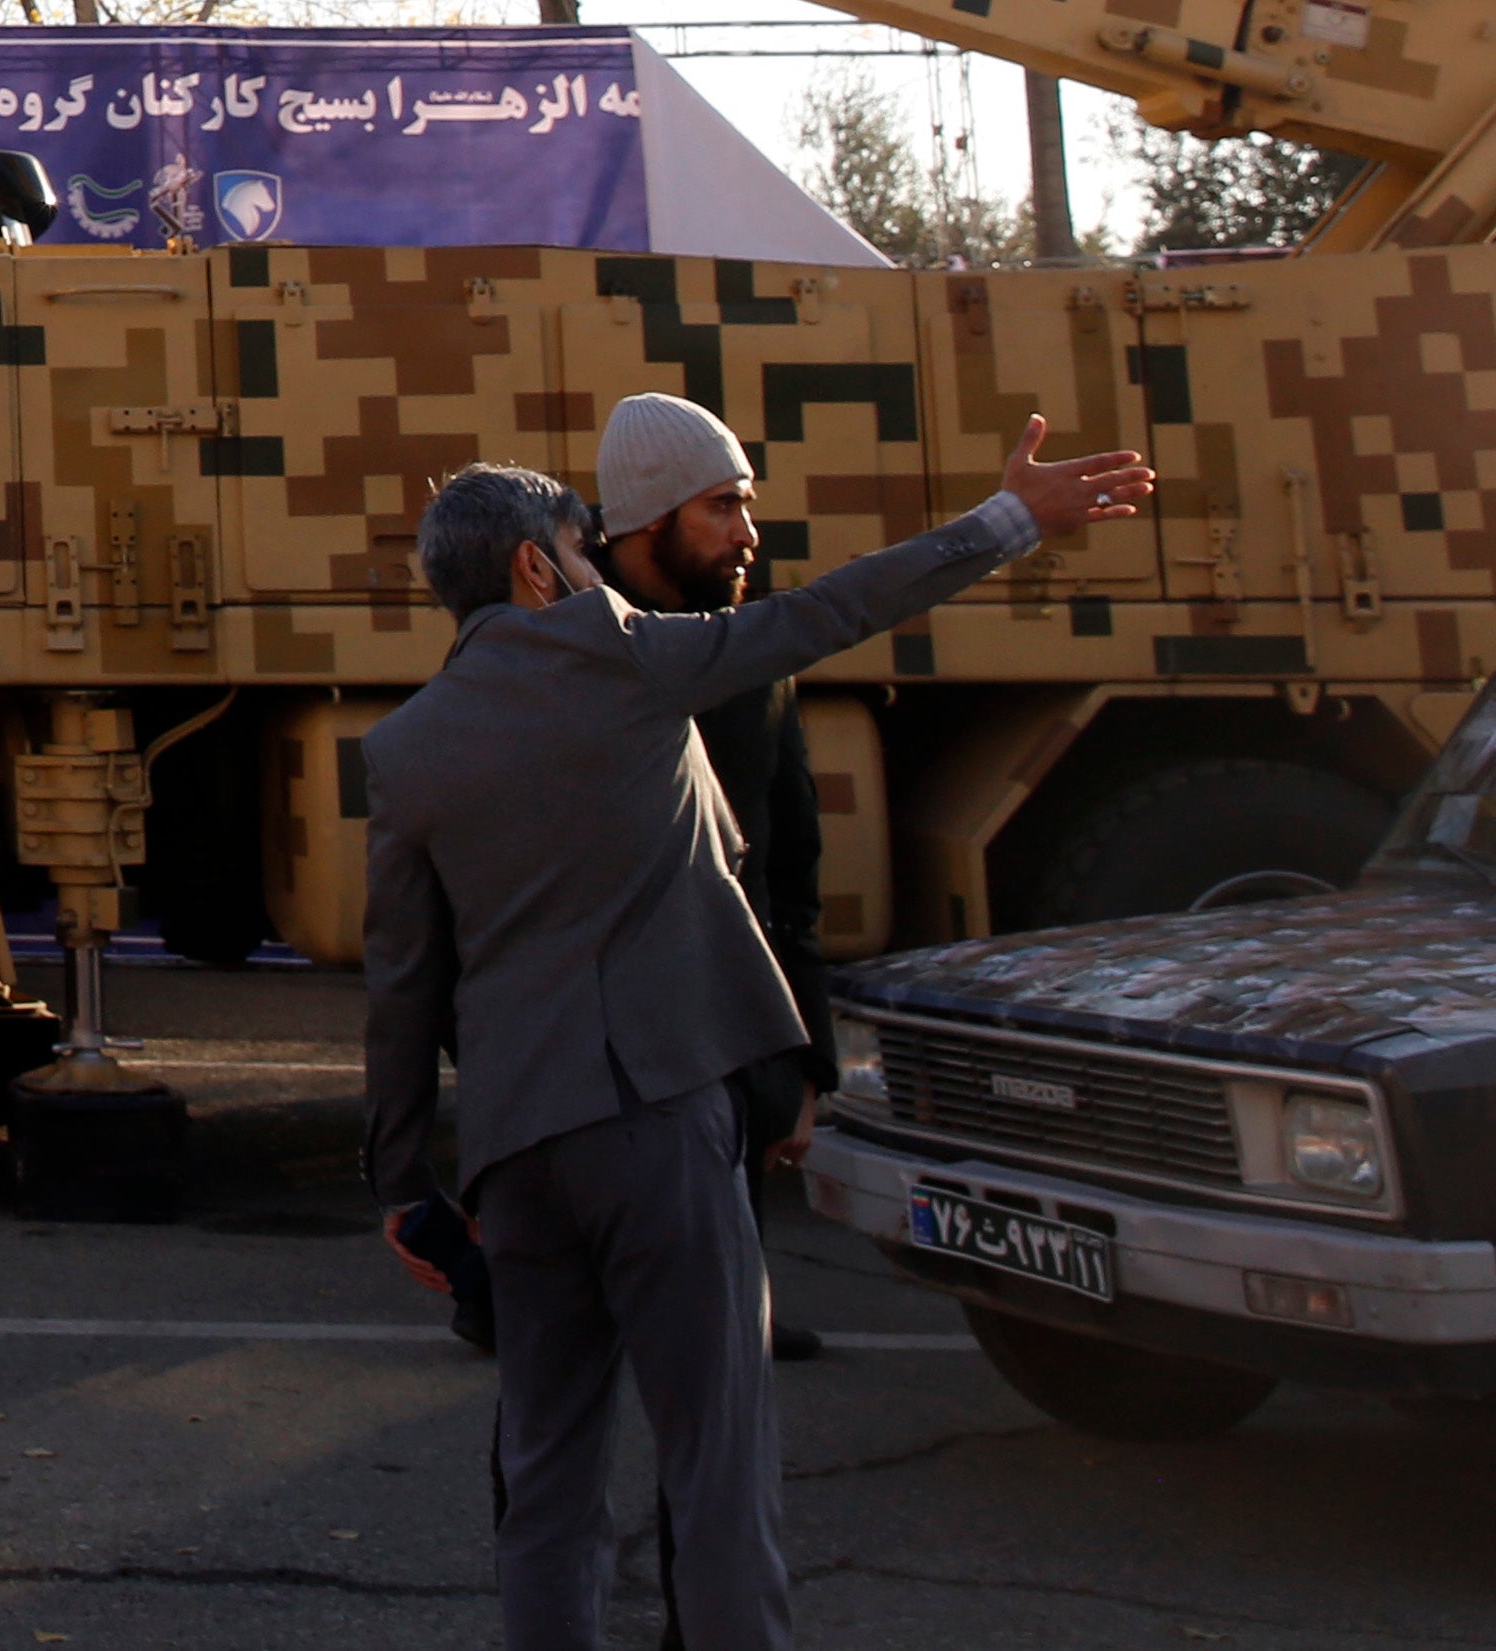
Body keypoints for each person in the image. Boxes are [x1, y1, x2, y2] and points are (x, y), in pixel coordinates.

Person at [364, 420, 1150, 1651]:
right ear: (533, 567)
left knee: (547, 1476)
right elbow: (835, 610)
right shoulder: (622, 655)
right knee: (716, 1472)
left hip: (516, 1151)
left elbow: (404, 985)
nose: (591, 571)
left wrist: (406, 1184)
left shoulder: (405, 750)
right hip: (659, 1121)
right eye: (577, 549)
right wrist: (1007, 523)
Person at [589, 393, 838, 1367]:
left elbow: (789, 865)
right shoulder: (572, 649)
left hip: (722, 1020)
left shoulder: (753, 660)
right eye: (722, 508)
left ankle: (742, 1300)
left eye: (747, 505)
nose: (749, 536)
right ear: (652, 519)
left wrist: (804, 1066)